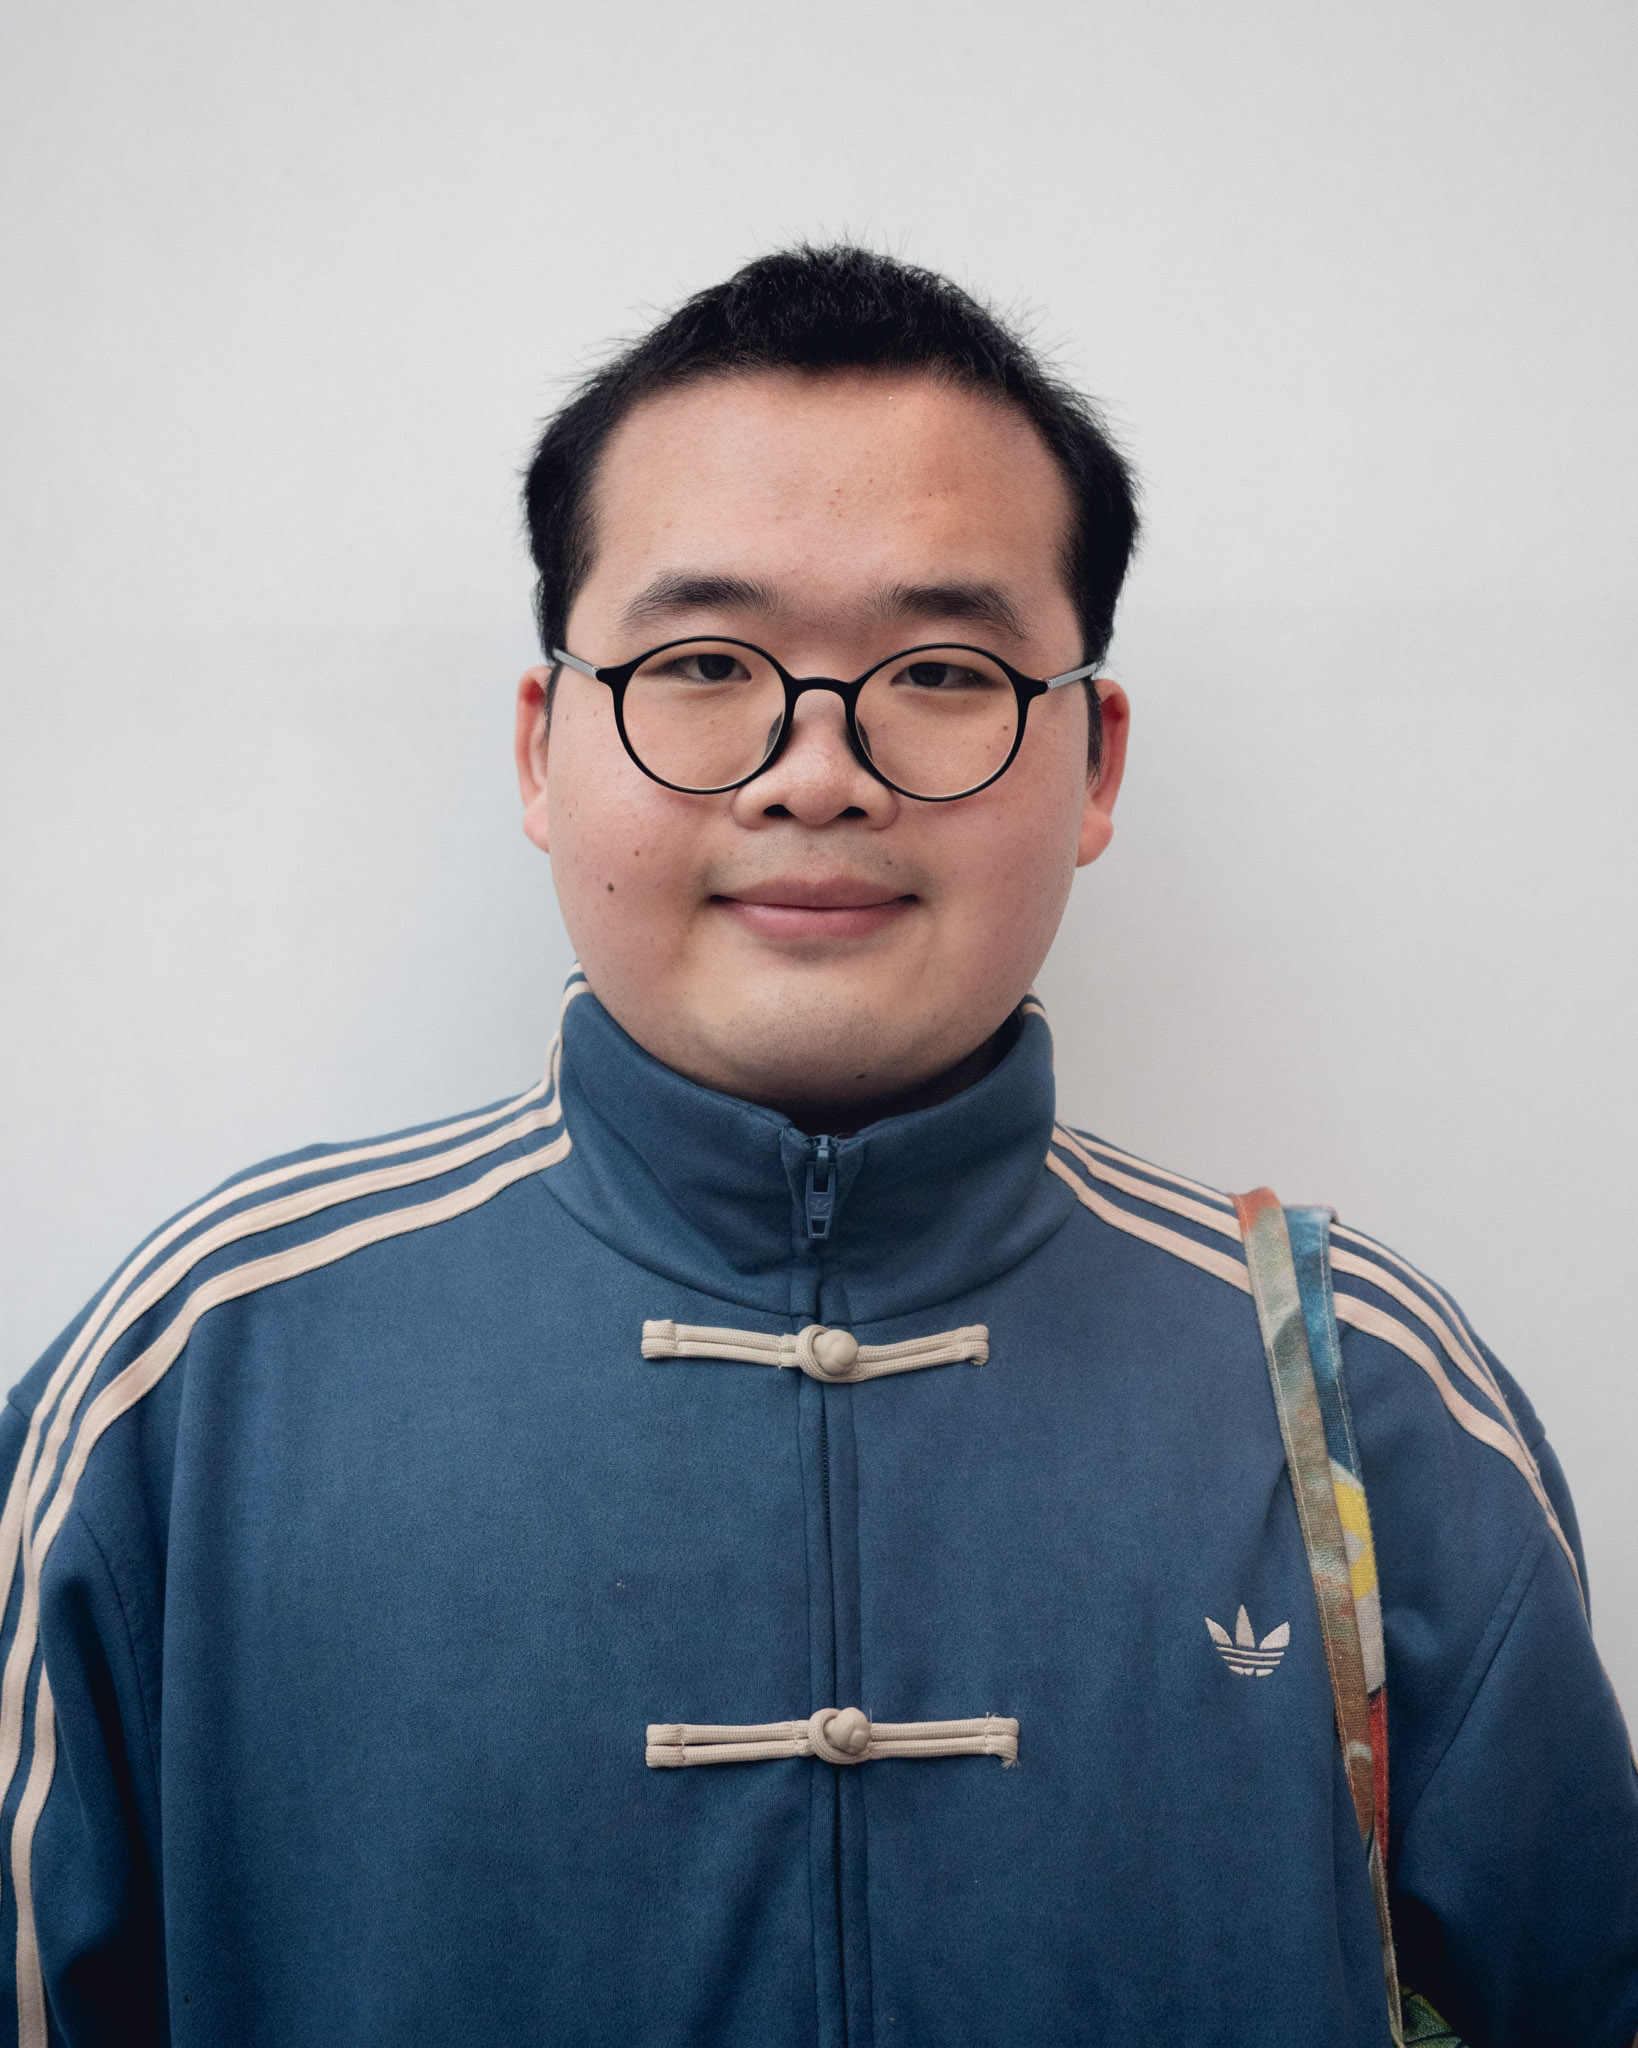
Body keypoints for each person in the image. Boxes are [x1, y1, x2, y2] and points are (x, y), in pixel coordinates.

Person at [3, 245, 1635, 2048]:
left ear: (1092, 764)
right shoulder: (198, 1381)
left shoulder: (1348, 1391)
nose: (814, 772)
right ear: (544, 747)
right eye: (704, 660)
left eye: (938, 668)